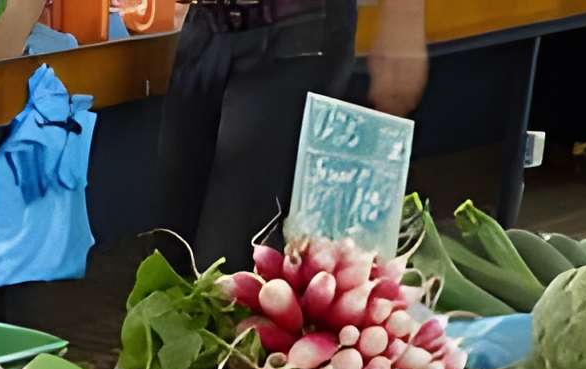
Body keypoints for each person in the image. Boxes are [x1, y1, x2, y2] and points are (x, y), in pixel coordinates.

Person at [156, 0, 427, 264]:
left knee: (234, 265)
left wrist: (405, 16)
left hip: (299, 28)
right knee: (172, 255)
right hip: (205, 27)